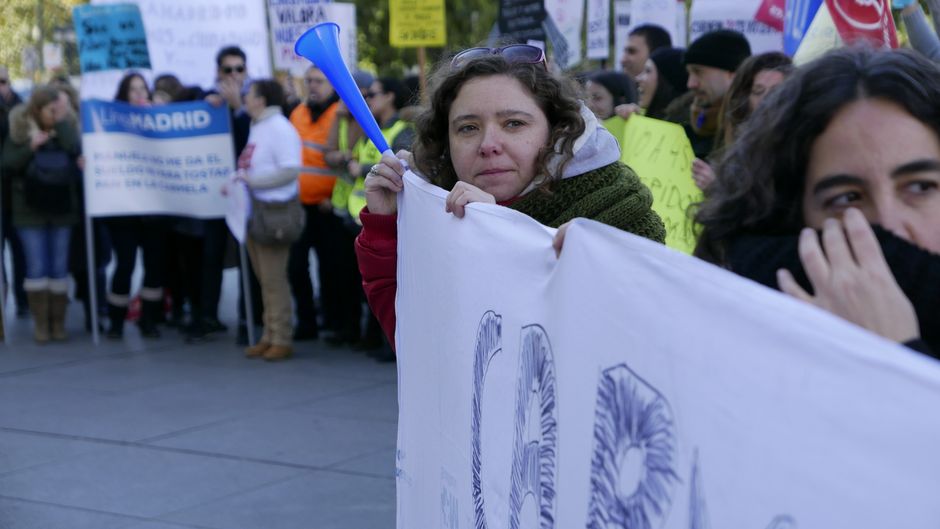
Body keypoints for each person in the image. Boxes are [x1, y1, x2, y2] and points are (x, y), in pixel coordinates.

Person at [357, 45, 666, 346]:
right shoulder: (439, 210)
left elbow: (620, 350)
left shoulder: (619, 210)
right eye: (468, 128)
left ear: (556, 130)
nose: (488, 144)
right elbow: (414, 342)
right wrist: (384, 227)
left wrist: (501, 234)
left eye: (514, 124)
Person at [694, 47, 940, 356]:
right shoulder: (736, 345)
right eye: (848, 199)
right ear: (794, 212)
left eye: (920, 187)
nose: (891, 227)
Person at [2, 85, 80, 343]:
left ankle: (58, 323)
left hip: (62, 208)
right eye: (51, 108)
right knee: (36, 266)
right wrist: (30, 147)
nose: (56, 111)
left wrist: (61, 123)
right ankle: (41, 324)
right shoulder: (20, 128)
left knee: (59, 267)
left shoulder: (66, 126)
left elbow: (75, 150)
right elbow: (7, 164)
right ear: (38, 109)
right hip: (29, 209)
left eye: (59, 107)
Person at [235, 80, 303, 361]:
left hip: (275, 211)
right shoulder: (260, 126)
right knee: (264, 278)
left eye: (248, 95)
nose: (244, 99)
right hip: (257, 210)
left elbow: (290, 170)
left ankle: (281, 337)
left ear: (261, 99)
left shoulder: (279, 128)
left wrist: (253, 181)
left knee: (273, 279)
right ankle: (269, 334)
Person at [104, 73, 167, 339]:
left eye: (143, 88)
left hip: (153, 210)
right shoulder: (111, 123)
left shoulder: (161, 121)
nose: (140, 93)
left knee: (154, 266)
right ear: (124, 94)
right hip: (125, 211)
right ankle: (116, 322)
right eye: (133, 90)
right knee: (125, 265)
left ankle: (149, 319)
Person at [288, 65, 345, 342]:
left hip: (327, 206)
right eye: (309, 81)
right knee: (296, 266)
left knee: (330, 267)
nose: (313, 86)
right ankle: (306, 321)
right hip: (299, 204)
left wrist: (332, 198)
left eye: (319, 81)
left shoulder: (340, 114)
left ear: (332, 85)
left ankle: (334, 320)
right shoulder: (297, 113)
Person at [693, 52, 793, 190]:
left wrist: (720, 189)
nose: (767, 100)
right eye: (758, 91)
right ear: (746, 99)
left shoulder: (798, 148)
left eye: (777, 91)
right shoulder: (739, 145)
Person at [684, 29, 751, 159]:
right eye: (689, 73)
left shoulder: (751, 130)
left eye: (698, 72)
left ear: (732, 74)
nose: (691, 83)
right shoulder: (682, 121)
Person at [0, 65, 28, 318]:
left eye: (3, 81)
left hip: (18, 197)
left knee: (21, 253)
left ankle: (23, 299)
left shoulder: (22, 110)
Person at [584, 70, 638, 139]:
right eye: (587, 98)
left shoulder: (641, 122)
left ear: (621, 98)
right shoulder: (587, 130)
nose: (589, 105)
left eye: (597, 98)